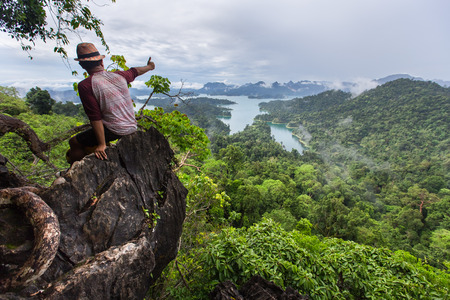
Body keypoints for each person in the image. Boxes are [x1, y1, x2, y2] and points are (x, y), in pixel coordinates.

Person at [67, 42, 155, 164]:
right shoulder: (119, 76)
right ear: (101, 62)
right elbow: (135, 71)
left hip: (115, 129)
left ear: (82, 65)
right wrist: (150, 67)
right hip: (132, 126)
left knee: (74, 142)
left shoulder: (86, 85)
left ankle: (73, 172)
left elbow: (95, 117)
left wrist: (101, 144)